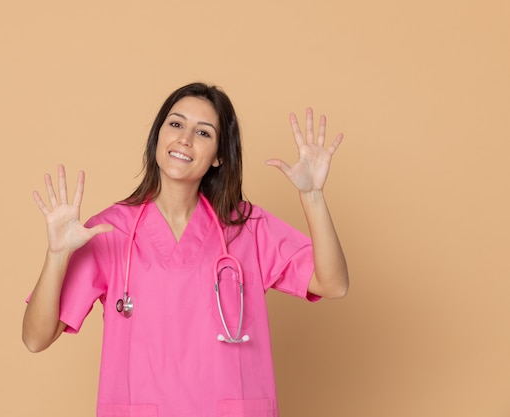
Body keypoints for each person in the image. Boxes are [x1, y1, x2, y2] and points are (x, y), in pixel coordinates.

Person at [22, 82, 348, 417]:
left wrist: (312, 198)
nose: (185, 139)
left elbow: (333, 283)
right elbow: (36, 338)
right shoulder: (111, 230)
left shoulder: (248, 228)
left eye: (204, 133)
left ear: (220, 155)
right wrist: (57, 255)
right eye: (176, 124)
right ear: (158, 137)